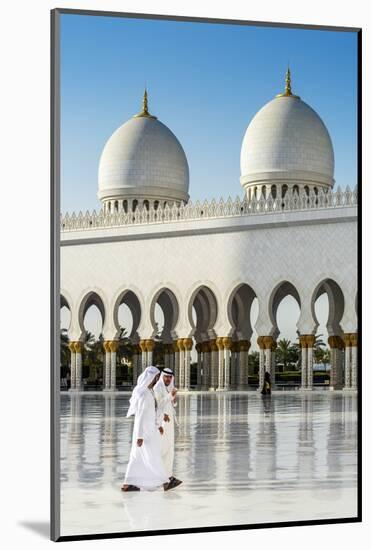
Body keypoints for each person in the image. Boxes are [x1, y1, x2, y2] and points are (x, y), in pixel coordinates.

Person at [121, 366, 180, 492]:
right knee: (151, 457)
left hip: (150, 429)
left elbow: (155, 410)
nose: (157, 379)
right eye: (156, 377)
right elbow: (141, 416)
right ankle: (165, 482)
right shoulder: (144, 395)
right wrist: (140, 436)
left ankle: (128, 483)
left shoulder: (149, 393)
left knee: (138, 457)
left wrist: (158, 425)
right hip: (145, 432)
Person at [153, 368, 182, 486]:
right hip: (162, 422)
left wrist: (174, 398)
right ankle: (159, 476)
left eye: (170, 377)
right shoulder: (157, 388)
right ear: (162, 377)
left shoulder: (168, 388)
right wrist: (170, 395)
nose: (168, 379)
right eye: (166, 377)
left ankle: (168, 476)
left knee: (170, 449)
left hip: (169, 422)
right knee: (162, 449)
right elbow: (158, 404)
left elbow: (172, 403)